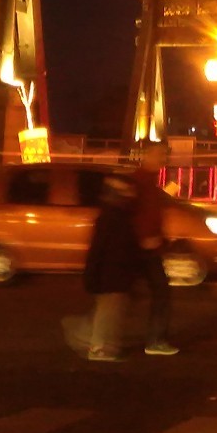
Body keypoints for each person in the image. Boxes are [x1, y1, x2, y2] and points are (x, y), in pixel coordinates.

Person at [77, 175, 142, 362]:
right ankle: (99, 349)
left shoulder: (113, 214)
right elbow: (101, 248)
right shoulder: (113, 217)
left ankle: (102, 346)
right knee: (108, 312)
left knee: (109, 311)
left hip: (113, 273)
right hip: (112, 274)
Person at [128, 144, 178, 356]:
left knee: (123, 293)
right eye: (160, 154)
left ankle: (99, 335)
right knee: (160, 291)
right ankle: (155, 340)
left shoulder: (148, 181)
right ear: (147, 155)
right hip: (144, 247)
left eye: (165, 155)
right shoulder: (140, 181)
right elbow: (138, 214)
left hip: (147, 246)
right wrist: (145, 238)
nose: (163, 159)